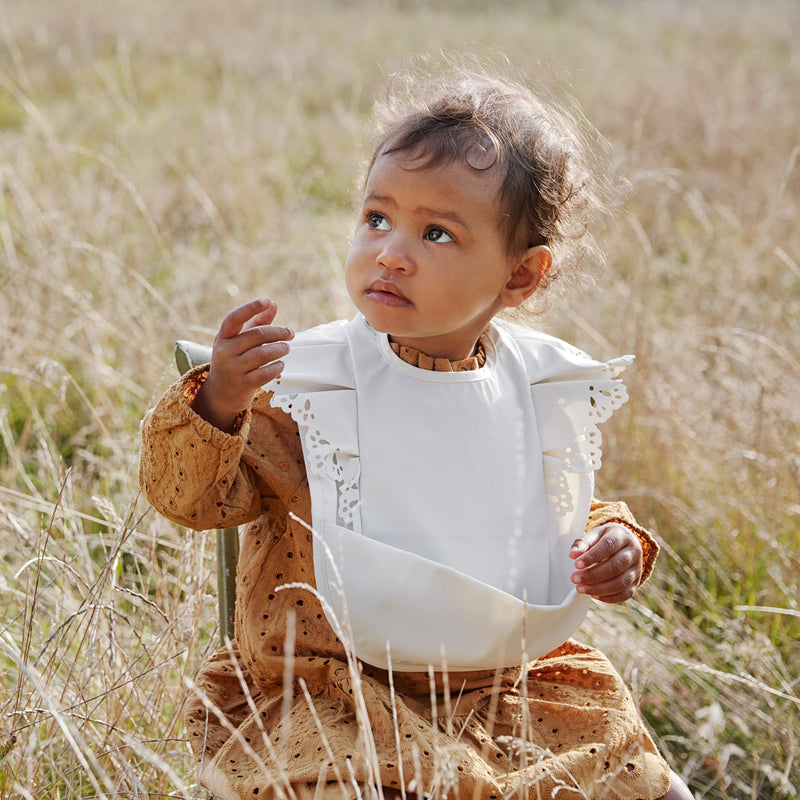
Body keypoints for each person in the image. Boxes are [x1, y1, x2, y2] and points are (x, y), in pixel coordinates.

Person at [140, 62, 692, 800]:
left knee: (631, 770)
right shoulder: (315, 386)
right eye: (377, 218)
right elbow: (192, 500)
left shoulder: (530, 385)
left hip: (497, 688)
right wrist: (220, 403)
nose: (391, 252)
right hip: (330, 689)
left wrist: (613, 542)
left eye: (436, 232)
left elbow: (544, 513)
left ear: (521, 276)